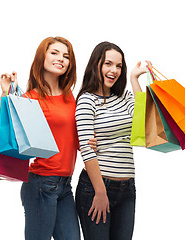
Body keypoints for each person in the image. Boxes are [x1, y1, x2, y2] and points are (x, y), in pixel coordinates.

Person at [0, 36, 96, 240]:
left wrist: (88, 141)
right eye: (54, 53)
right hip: (40, 184)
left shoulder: (70, 97)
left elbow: (71, 138)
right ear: (42, 57)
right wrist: (6, 94)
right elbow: (1, 127)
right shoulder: (30, 98)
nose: (61, 58)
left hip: (65, 185)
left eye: (66, 56)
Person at [75, 41, 151, 240]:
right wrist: (100, 192)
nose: (114, 70)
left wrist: (135, 80)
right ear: (96, 64)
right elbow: (86, 148)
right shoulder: (86, 100)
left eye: (119, 66)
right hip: (96, 187)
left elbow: (142, 126)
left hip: (127, 189)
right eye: (108, 64)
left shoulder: (124, 97)